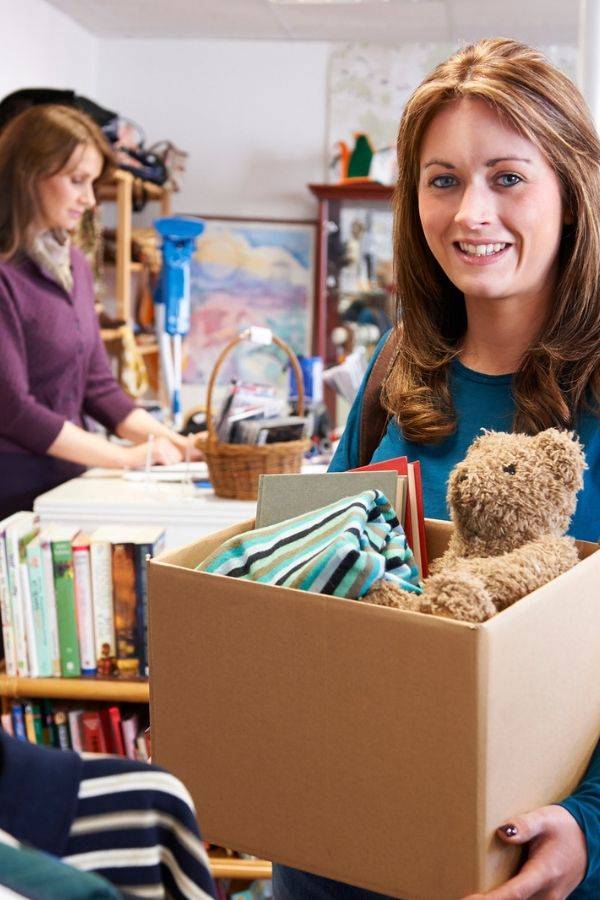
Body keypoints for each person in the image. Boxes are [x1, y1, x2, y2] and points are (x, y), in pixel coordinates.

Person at [273, 38, 600, 900]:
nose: (470, 215)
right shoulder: (396, 363)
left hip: (518, 852)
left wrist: (592, 824)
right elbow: (321, 568)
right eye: (443, 179)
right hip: (337, 835)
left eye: (508, 177)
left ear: (573, 191)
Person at [0, 104, 197, 519]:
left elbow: (98, 388)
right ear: (27, 177)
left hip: (66, 488)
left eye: (92, 183)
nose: (89, 200)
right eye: (77, 181)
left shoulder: (73, 265)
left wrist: (175, 442)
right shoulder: (5, 275)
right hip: (13, 498)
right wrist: (124, 457)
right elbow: (14, 409)